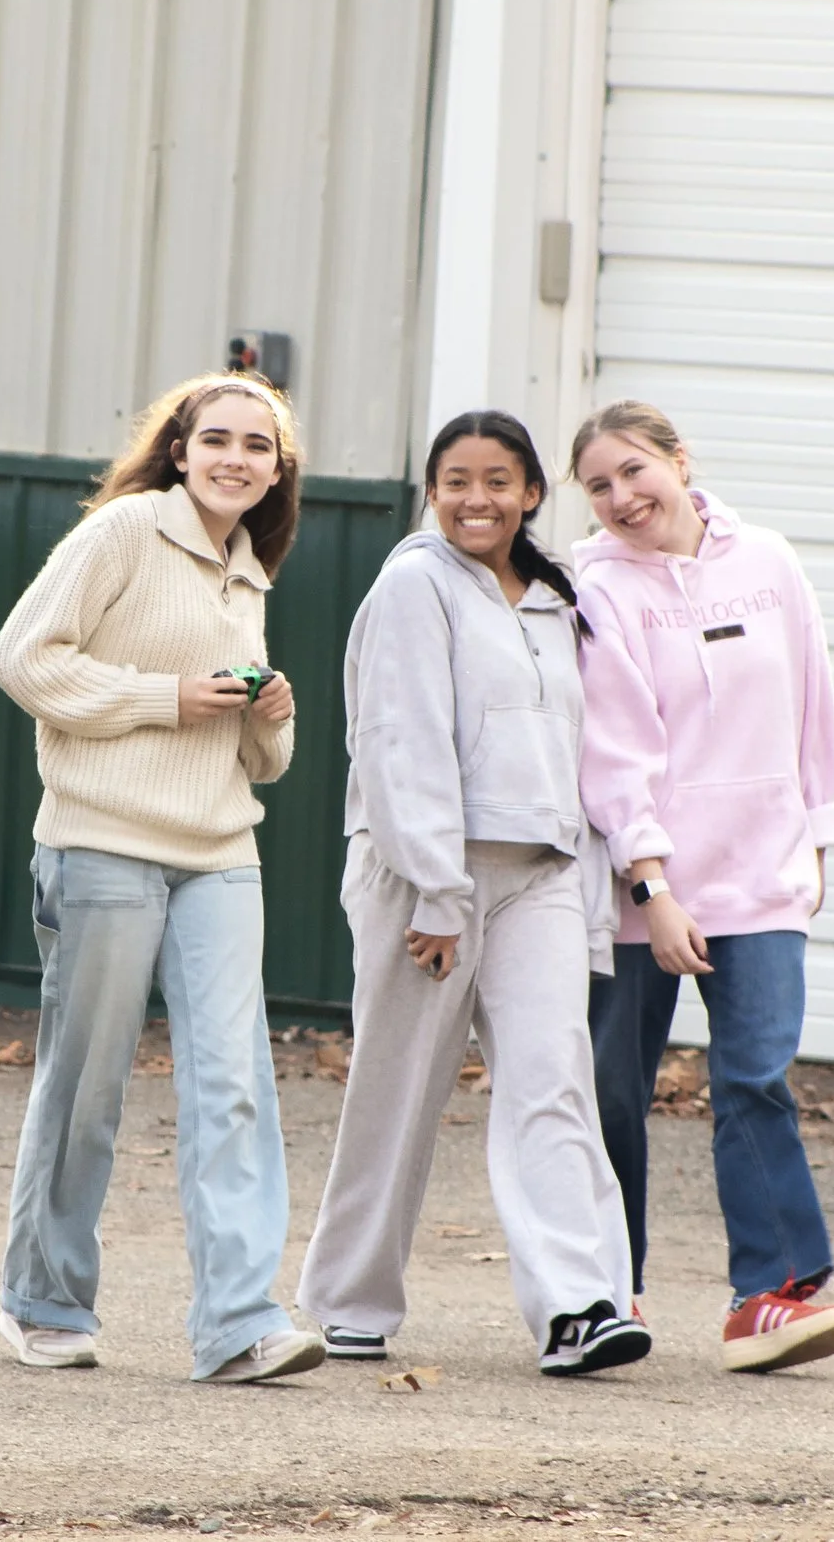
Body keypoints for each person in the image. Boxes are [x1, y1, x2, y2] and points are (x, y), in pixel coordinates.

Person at [0, 372, 324, 1384]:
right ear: (178, 450)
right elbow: (22, 659)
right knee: (87, 1081)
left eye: (256, 447)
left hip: (219, 850)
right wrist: (163, 697)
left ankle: (238, 1321)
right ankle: (43, 1299)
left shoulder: (247, 566)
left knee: (232, 1087)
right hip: (101, 840)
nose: (235, 458)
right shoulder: (124, 533)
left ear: (276, 469)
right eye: (215, 439)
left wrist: (269, 719)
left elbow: (263, 761)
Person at [297, 411, 646, 1378]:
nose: (476, 498)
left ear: (533, 491)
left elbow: (571, 757)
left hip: (537, 874)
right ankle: (350, 1301)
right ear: (431, 488)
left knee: (554, 1083)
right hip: (423, 877)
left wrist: (585, 893)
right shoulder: (414, 584)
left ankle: (581, 1305)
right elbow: (400, 742)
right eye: (457, 479)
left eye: (498, 480)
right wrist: (438, 891)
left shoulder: (554, 596)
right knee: (398, 1090)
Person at [568, 398, 834, 1374]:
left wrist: (816, 833)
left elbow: (812, 700)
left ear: (680, 462)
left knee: (753, 1076)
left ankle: (765, 1295)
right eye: (598, 485)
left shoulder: (768, 561)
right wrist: (651, 884)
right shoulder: (593, 583)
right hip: (639, 884)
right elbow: (612, 746)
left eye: (633, 471)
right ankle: (602, 1282)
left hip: (761, 871)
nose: (620, 497)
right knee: (611, 1084)